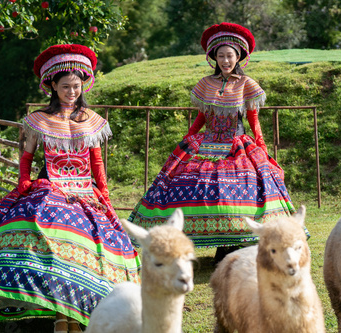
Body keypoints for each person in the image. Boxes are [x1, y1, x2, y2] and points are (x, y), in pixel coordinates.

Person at [0, 44, 141, 333]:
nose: (72, 92)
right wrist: (23, 184)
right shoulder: (39, 120)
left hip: (85, 192)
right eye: (65, 86)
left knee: (93, 251)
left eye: (77, 86)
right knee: (50, 247)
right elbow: (27, 156)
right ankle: (60, 316)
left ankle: (78, 317)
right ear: (52, 85)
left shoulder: (90, 120)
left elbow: (97, 161)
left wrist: (103, 193)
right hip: (49, 188)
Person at [128, 23, 305, 260]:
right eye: (220, 56)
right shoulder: (205, 84)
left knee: (242, 191)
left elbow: (254, 120)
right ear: (213, 57)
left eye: (229, 55)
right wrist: (187, 139)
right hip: (207, 143)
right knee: (199, 187)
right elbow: (202, 116)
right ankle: (213, 243)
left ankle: (234, 245)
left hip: (237, 144)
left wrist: (262, 149)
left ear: (239, 56)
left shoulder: (246, 84)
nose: (225, 60)